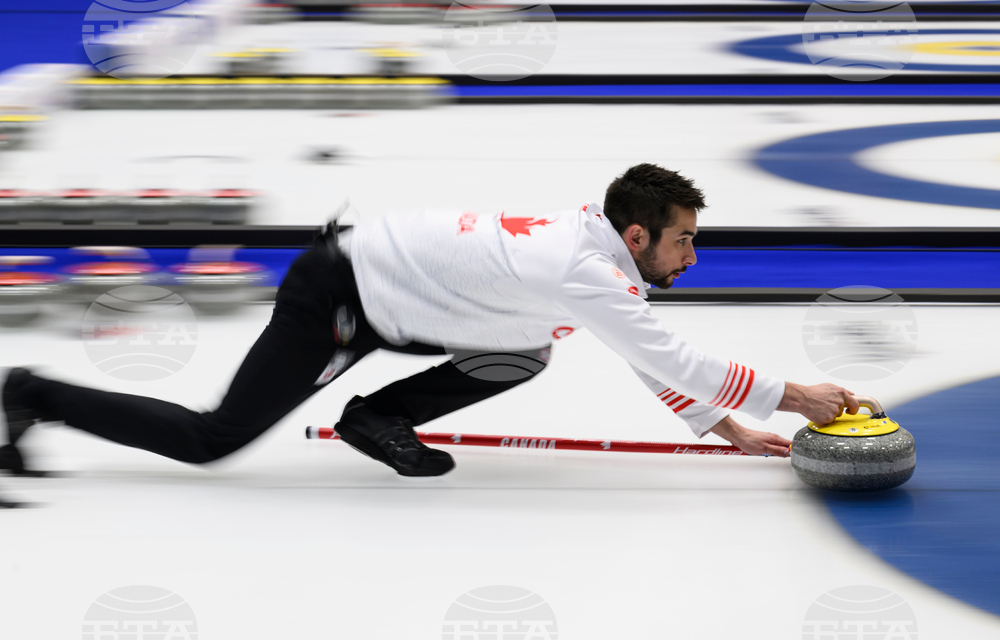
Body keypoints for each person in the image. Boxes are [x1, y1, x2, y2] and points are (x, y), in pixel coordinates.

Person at [1, 164, 859, 483]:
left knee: (523, 354)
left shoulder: (597, 260)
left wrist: (725, 426)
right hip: (339, 298)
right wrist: (796, 398)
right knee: (211, 439)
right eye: (684, 243)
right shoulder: (583, 266)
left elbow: (635, 345)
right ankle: (31, 391)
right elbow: (661, 348)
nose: (691, 258)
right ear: (638, 236)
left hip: (402, 301)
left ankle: (379, 417)